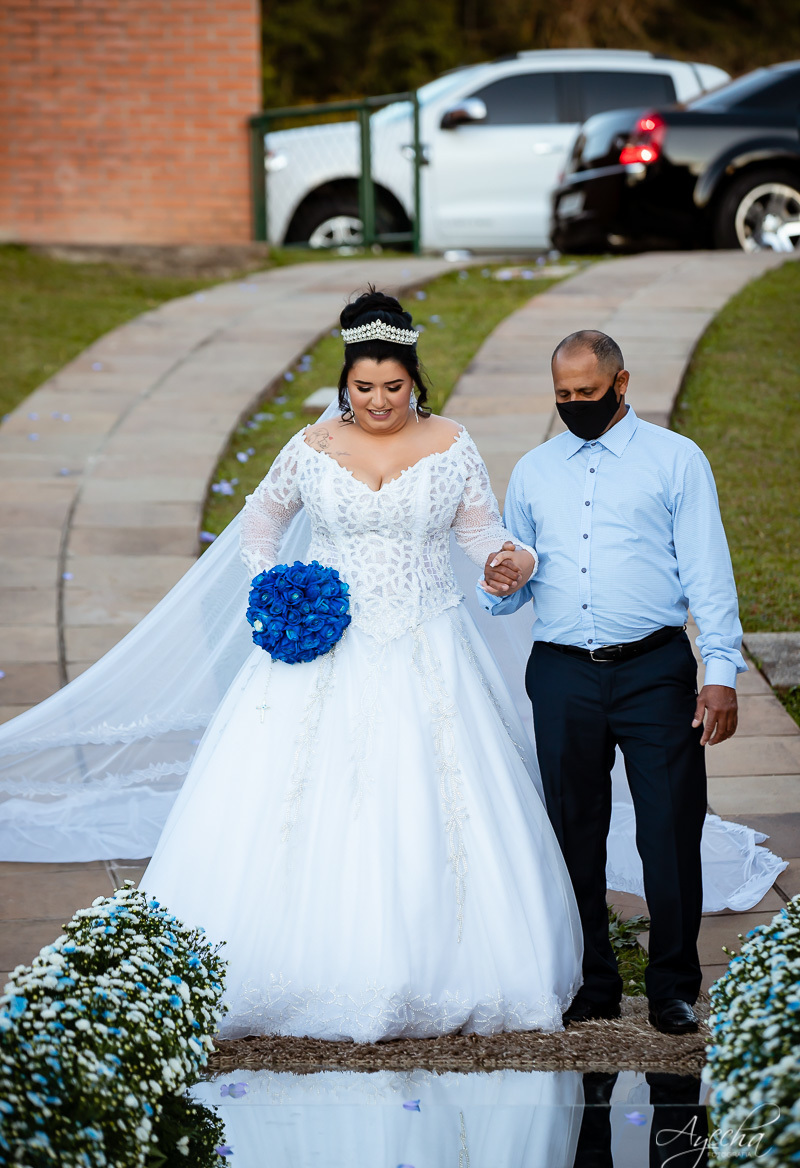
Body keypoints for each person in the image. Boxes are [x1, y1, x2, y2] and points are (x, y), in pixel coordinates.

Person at [137, 289, 585, 1041]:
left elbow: (483, 534)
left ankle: (442, 966)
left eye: (394, 386)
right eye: (364, 387)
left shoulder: (453, 443)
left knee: (436, 800)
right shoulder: (313, 446)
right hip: (324, 646)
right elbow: (261, 518)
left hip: (427, 643)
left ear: (416, 381)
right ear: (345, 383)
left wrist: (515, 561)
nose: (379, 402)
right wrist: (275, 589)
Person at [479, 329, 750, 1037]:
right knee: (573, 828)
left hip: (654, 669)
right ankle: (593, 981)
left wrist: (720, 672)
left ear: (621, 385)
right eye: (563, 395)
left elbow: (709, 572)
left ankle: (673, 988)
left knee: (670, 828)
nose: (575, 404)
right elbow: (513, 581)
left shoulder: (677, 460)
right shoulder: (534, 471)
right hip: (562, 670)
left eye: (588, 392)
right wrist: (499, 582)